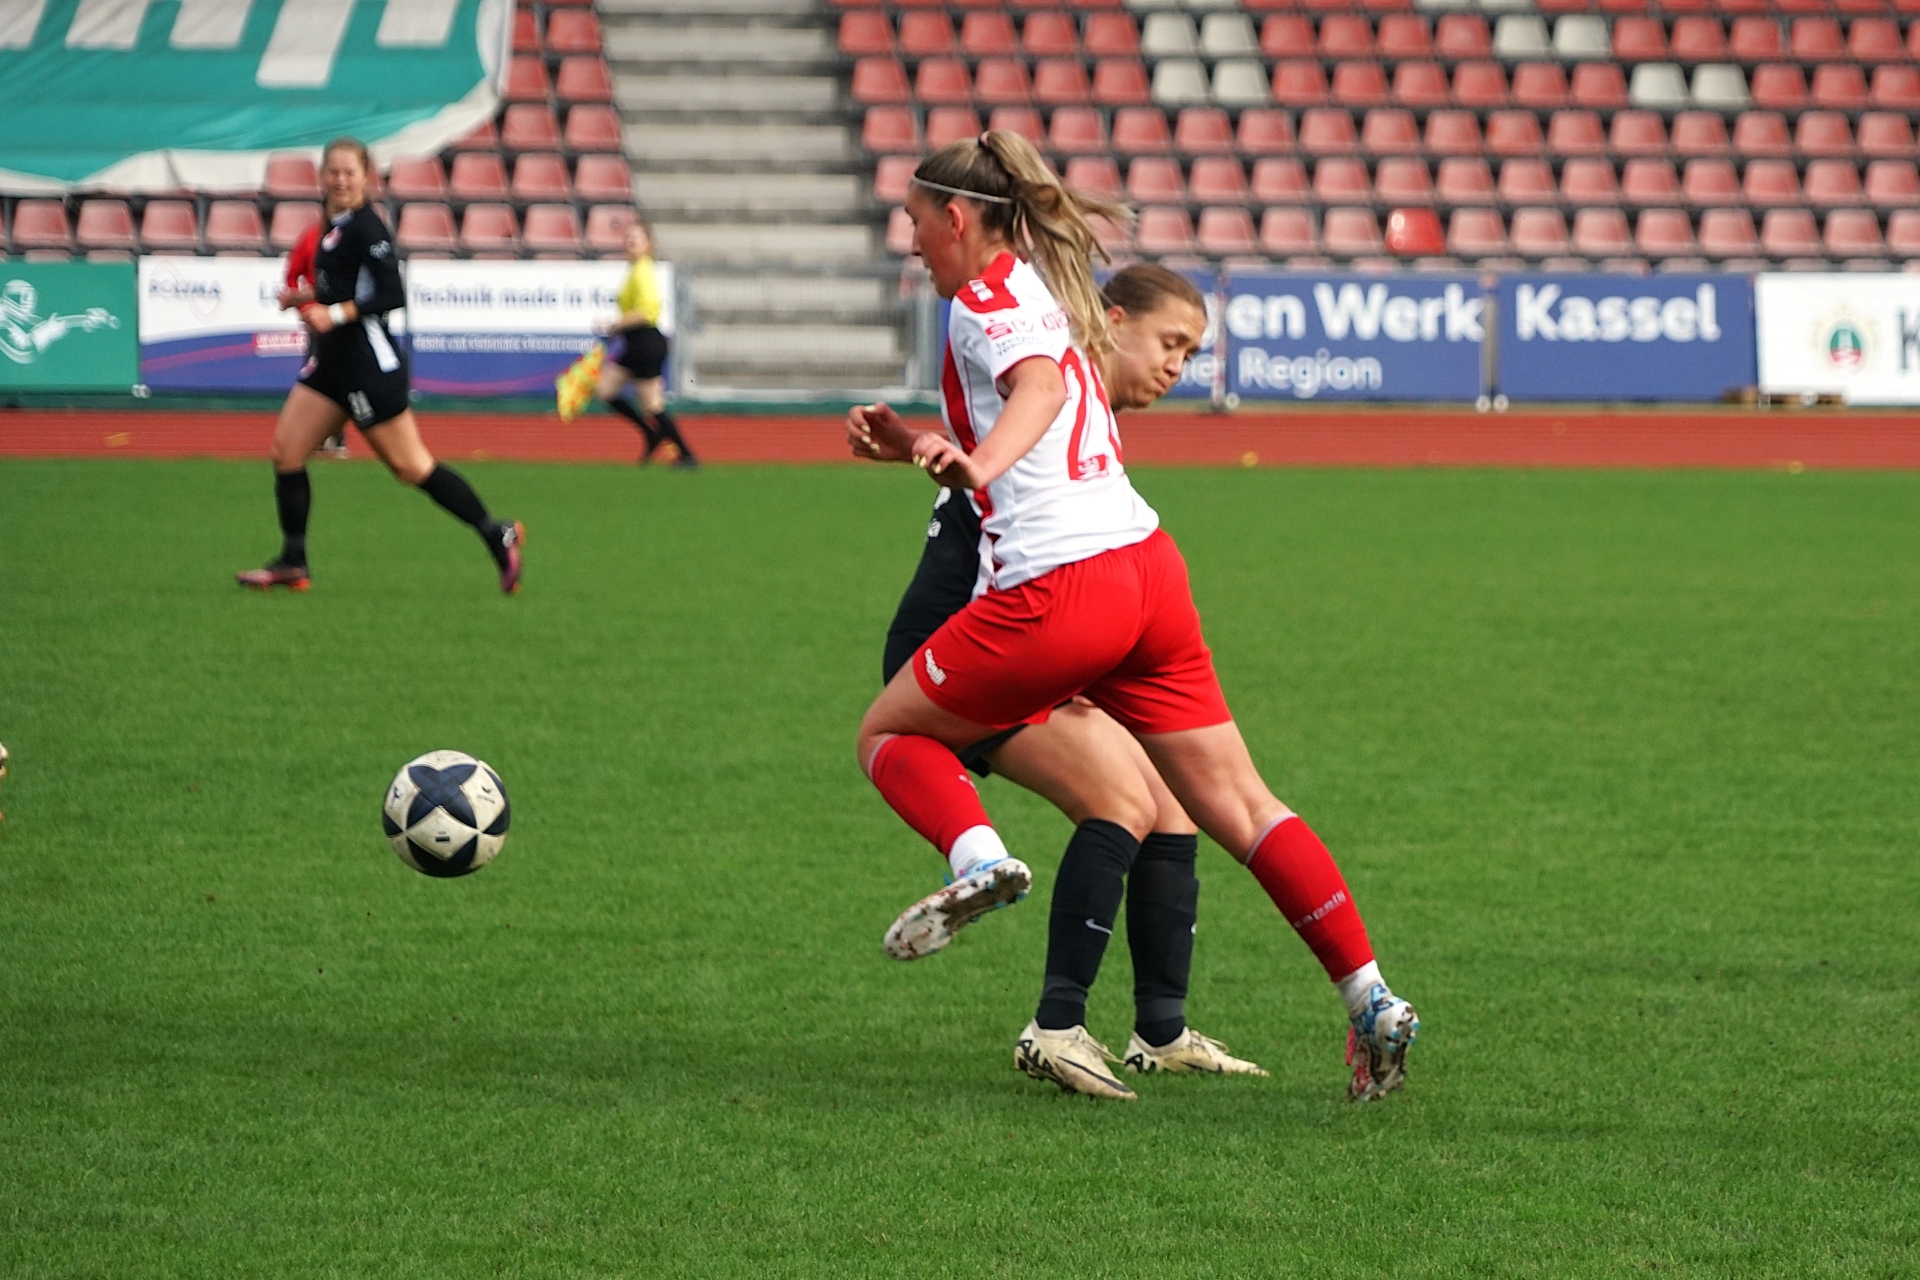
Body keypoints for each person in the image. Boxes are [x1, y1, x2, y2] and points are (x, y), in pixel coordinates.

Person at [849, 132, 1419, 1103]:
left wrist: (975, 464)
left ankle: (983, 860)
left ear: (956, 217)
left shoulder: (984, 298)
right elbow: (1042, 389)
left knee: (886, 733)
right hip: (1149, 570)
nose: (910, 242)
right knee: (1241, 803)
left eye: (913, 222)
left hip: (1057, 592)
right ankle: (1370, 995)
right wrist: (923, 447)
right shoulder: (1051, 286)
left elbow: (1033, 388)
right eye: (1171, 347)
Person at [857, 265, 1264, 1100]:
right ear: (1110, 323)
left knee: (1171, 800)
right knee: (1119, 800)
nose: (1177, 367)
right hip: (973, 645)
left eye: (1191, 354)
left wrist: (909, 445)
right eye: (1170, 343)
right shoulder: (1049, 399)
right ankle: (1056, 1028)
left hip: (1031, 640)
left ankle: (1161, 1032)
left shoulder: (1070, 413)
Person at [237, 138, 524, 593]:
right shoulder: (333, 226)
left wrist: (332, 314)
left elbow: (392, 294)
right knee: (286, 453)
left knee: (412, 468)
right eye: (333, 172)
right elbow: (344, 285)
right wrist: (305, 296)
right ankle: (293, 561)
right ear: (322, 177)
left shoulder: (368, 229)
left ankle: (496, 534)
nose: (340, 180)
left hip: (368, 367)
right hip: (332, 364)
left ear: (366, 177)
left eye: (349, 172)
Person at [594, 217, 697, 468]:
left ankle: (687, 455)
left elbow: (647, 311)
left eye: (636, 238)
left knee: (652, 404)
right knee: (606, 390)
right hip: (638, 343)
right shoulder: (636, 268)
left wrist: (614, 326)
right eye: (628, 238)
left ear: (648, 243)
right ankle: (651, 434)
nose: (630, 242)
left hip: (646, 343)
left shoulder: (642, 269)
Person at [281, 219, 348, 459]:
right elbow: (292, 275)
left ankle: (335, 436)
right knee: (315, 376)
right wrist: (305, 310)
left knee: (342, 376)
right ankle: (314, 436)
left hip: (342, 319)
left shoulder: (351, 238)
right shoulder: (310, 238)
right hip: (318, 320)